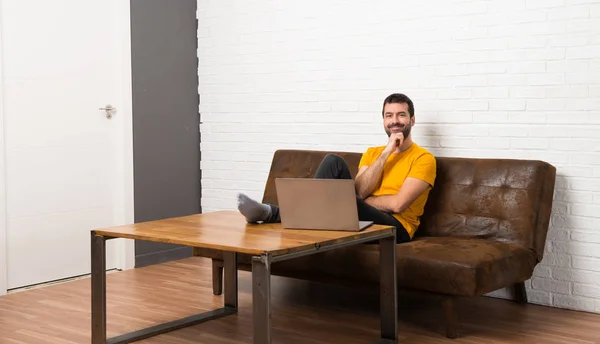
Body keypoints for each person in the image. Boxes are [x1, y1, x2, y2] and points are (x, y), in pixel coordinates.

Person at [236, 93, 437, 243]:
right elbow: (360, 191)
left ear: (412, 120)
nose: (394, 121)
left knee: (348, 203)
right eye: (389, 115)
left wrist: (357, 200)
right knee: (333, 161)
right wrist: (386, 153)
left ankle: (272, 213)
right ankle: (281, 214)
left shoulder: (424, 158)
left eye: (401, 115)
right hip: (362, 210)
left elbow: (397, 205)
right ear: (383, 121)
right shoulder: (374, 153)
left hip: (398, 227)